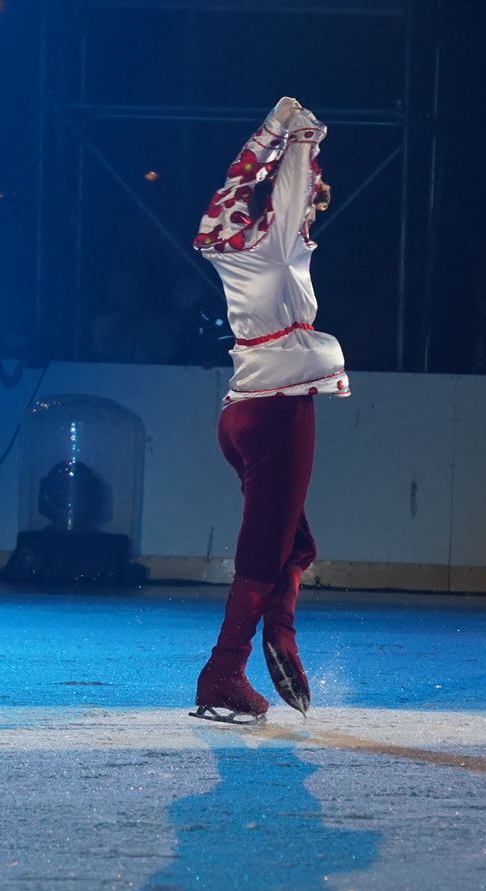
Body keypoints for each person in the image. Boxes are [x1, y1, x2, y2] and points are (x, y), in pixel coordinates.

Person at [189, 96, 349, 724]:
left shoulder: (226, 242)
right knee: (265, 549)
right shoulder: (276, 245)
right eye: (307, 202)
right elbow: (289, 186)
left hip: (239, 414)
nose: (310, 210)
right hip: (277, 410)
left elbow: (238, 181)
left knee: (293, 541)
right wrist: (299, 133)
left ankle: (279, 633)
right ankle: (224, 671)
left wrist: (269, 135)